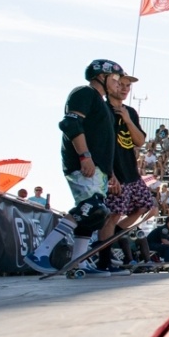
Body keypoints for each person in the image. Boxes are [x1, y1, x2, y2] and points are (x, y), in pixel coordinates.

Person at [25, 59, 122, 276]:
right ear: (101, 77)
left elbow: (104, 144)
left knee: (94, 216)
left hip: (99, 170)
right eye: (114, 79)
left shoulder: (103, 105)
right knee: (91, 208)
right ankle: (41, 252)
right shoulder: (84, 94)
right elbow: (70, 123)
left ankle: (79, 261)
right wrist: (84, 156)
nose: (118, 84)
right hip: (83, 164)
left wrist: (110, 173)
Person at [99, 73, 158, 271]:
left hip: (131, 171)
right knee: (114, 214)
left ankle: (109, 238)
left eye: (127, 86)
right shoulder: (103, 109)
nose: (125, 89)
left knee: (148, 208)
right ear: (110, 86)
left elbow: (140, 141)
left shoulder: (130, 111)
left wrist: (127, 119)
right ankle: (103, 260)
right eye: (121, 85)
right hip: (114, 171)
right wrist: (109, 173)